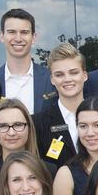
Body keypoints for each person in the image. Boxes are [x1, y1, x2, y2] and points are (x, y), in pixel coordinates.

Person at [0, 8, 51, 113]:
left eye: (24, 32)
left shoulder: (51, 79)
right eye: (11, 32)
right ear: (2, 37)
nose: (18, 38)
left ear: (33, 37)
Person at [34, 42, 88, 170]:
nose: (67, 79)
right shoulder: (38, 123)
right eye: (59, 75)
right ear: (52, 79)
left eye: (73, 72)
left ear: (84, 76)